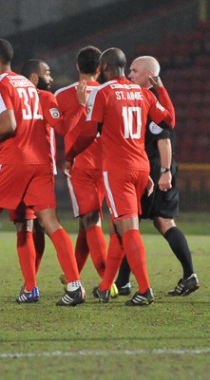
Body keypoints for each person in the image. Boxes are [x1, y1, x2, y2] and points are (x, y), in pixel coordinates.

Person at [0, 39, 85, 307]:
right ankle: (73, 286)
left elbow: (9, 124)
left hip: (14, 162)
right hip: (41, 162)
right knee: (46, 223)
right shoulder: (29, 86)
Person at [68, 48, 175, 306]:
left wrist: (70, 154)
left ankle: (145, 289)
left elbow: (88, 132)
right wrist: (160, 89)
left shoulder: (104, 93)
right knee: (117, 228)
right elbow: (169, 120)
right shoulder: (142, 92)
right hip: (141, 168)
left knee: (128, 229)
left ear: (104, 67)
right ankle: (106, 287)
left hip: (118, 170)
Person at [114, 56, 199, 296]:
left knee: (130, 223)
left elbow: (164, 139)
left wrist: (163, 171)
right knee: (160, 223)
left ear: (150, 76)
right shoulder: (139, 99)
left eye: (135, 71)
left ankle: (123, 282)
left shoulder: (152, 101)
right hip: (150, 167)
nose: (130, 74)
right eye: (129, 70)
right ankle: (188, 276)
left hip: (153, 168)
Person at [54, 46, 113, 294]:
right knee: (87, 222)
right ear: (100, 69)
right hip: (108, 164)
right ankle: (74, 273)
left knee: (90, 219)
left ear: (77, 67)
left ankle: (107, 281)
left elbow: (61, 128)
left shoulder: (62, 94)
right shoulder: (110, 92)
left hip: (79, 165)